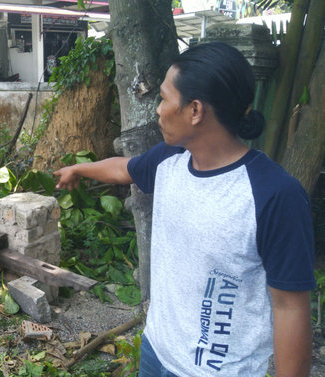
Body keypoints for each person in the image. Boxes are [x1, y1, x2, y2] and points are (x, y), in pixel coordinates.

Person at [53, 42, 315, 377]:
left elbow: (290, 306)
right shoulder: (170, 159)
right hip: (157, 351)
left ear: (195, 110)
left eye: (164, 98)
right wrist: (79, 170)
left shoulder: (274, 195)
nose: (158, 110)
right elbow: (125, 168)